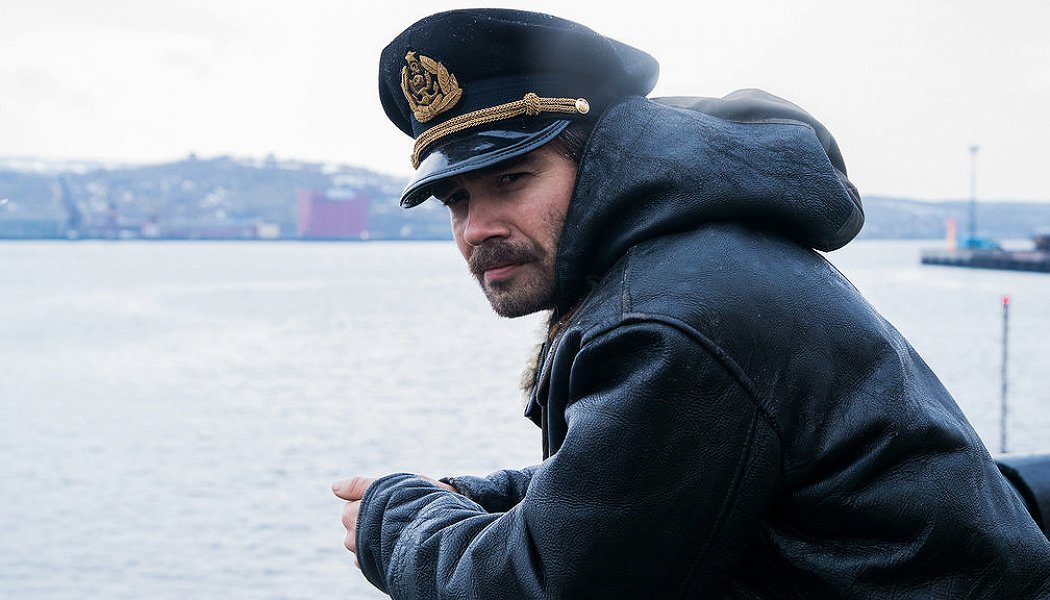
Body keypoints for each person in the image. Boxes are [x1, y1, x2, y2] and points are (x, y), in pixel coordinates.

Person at [333, 8, 1050, 598]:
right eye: (456, 198)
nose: (476, 228)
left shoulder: (668, 321)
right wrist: (480, 496)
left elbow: (549, 587)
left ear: (599, 160)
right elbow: (650, 481)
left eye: (512, 179)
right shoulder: (692, 267)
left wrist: (395, 521)